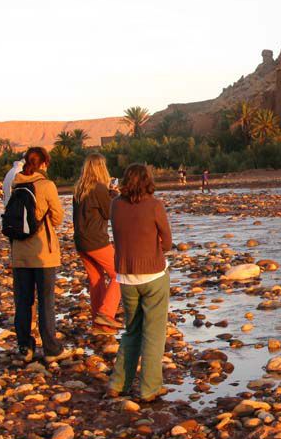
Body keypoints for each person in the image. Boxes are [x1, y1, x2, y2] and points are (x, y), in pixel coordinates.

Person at [108, 164, 173, 402]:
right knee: (153, 335)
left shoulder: (115, 204)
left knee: (132, 330)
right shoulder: (155, 205)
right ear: (148, 181)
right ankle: (150, 388)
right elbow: (166, 242)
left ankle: (118, 384)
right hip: (153, 276)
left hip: (126, 277)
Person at [10, 147, 72, 364]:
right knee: (46, 301)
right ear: (44, 163)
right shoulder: (46, 186)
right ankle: (51, 348)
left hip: (19, 251)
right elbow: (57, 217)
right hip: (43, 252)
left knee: (23, 301)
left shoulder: (14, 183)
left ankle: (24, 347)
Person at [73, 153, 122, 336]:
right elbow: (109, 213)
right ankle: (106, 313)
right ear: (101, 168)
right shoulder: (99, 188)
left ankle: (99, 325)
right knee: (120, 273)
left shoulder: (79, 189)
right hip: (96, 240)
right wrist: (115, 195)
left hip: (81, 240)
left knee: (96, 280)